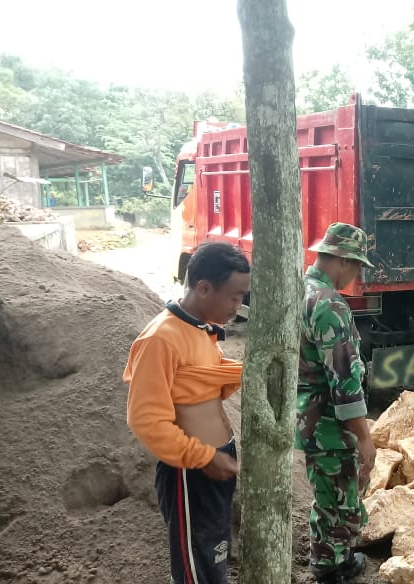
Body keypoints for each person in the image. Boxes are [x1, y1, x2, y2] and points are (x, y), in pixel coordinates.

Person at [123, 241, 251, 584]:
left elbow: (204, 384)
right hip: (190, 472)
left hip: (213, 462)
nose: (238, 307)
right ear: (204, 287)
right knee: (196, 568)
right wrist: (203, 456)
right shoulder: (160, 339)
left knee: (213, 557)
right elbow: (145, 419)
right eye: (235, 297)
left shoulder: (200, 330)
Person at [296, 222, 378, 584]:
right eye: (357, 265)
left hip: (306, 416)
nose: (356, 274)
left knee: (327, 493)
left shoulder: (298, 289)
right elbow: (344, 382)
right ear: (342, 260)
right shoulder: (329, 305)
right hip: (329, 424)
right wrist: (363, 437)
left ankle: (334, 560)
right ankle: (330, 569)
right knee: (339, 501)